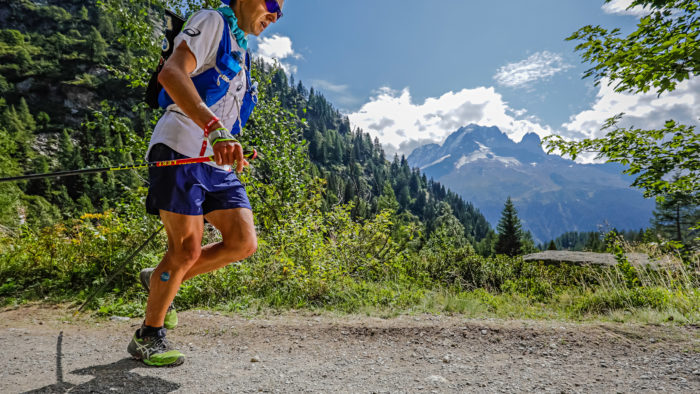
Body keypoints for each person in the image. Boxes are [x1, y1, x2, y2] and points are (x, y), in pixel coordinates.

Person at [127, 0, 285, 367]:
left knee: (243, 242)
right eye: (273, 3)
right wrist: (216, 131)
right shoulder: (212, 21)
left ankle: (161, 279)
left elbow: (225, 109)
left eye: (281, 11)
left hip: (215, 162)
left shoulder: (242, 51)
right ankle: (147, 336)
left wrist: (234, 143)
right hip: (180, 147)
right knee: (185, 250)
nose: (276, 15)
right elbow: (172, 75)